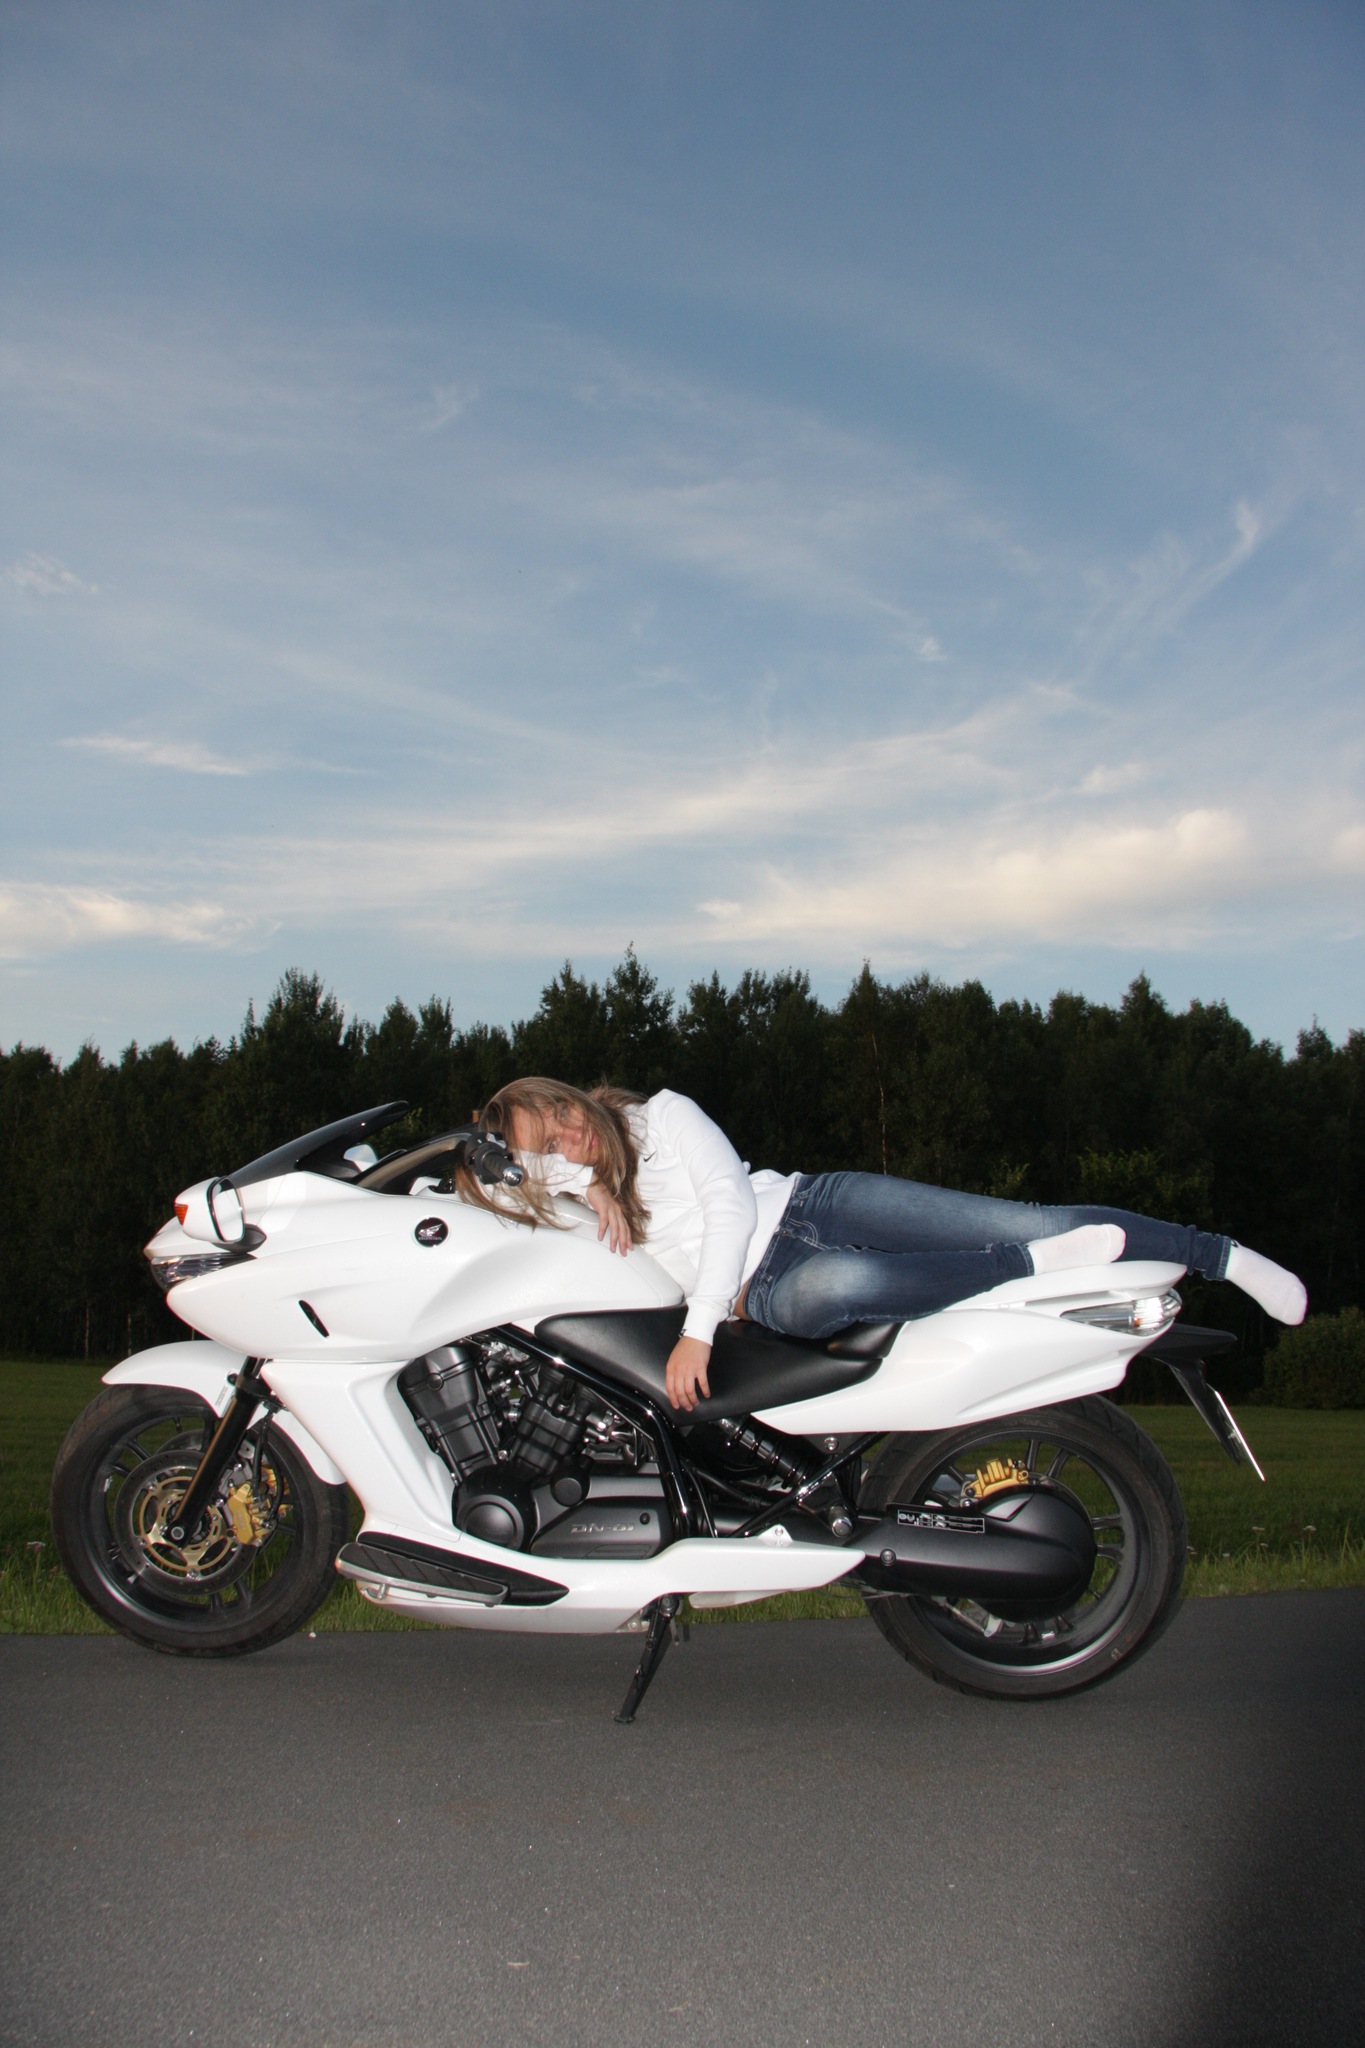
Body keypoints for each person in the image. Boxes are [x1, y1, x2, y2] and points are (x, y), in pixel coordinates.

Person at [469, 1078, 1308, 1413]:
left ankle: (1221, 1256)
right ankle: (1022, 1270)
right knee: (826, 1292)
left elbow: (727, 1206)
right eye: (550, 1141)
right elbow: (478, 1192)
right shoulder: (575, 1195)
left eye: (564, 1113)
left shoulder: (666, 1114)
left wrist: (696, 1330)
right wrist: (589, 1181)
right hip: (769, 1289)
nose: (571, 1134)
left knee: (1029, 1217)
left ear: (574, 1095)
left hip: (813, 1204)